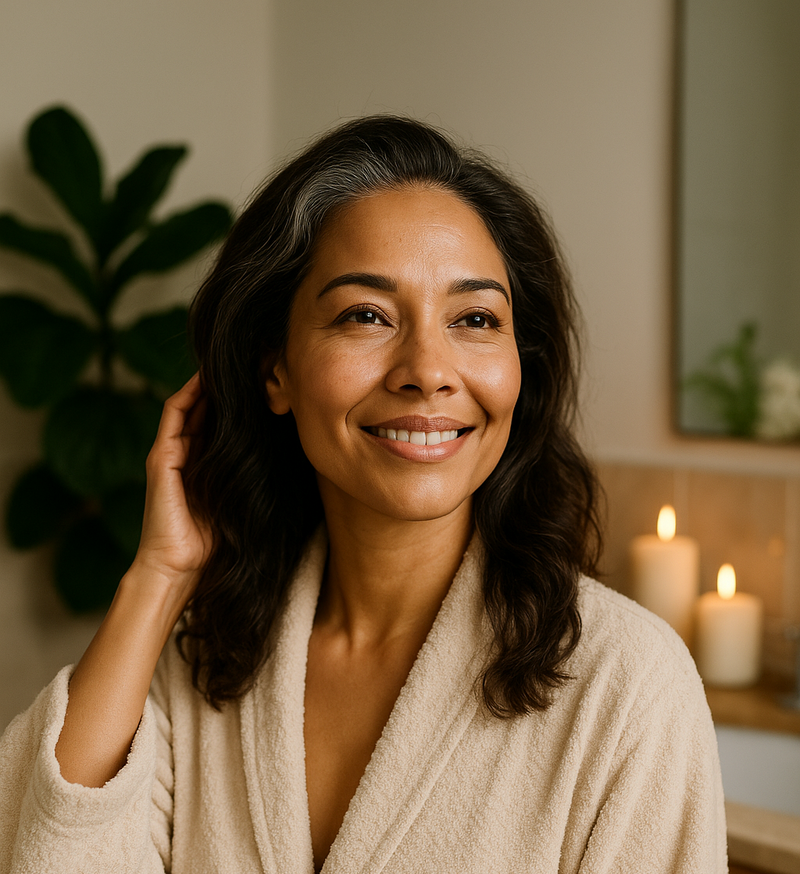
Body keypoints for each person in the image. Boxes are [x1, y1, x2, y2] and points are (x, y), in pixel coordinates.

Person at [0, 116, 726, 873]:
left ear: (521, 367)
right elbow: (51, 853)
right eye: (366, 316)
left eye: (475, 319)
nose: (428, 369)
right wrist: (158, 577)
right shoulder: (204, 658)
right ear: (274, 369)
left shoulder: (626, 683)